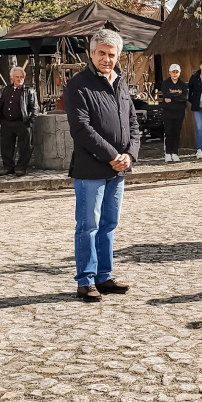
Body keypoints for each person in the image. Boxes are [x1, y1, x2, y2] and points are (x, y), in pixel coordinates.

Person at [64, 29, 140, 302]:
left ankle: (104, 276)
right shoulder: (78, 85)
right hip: (91, 169)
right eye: (102, 54)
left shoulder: (121, 84)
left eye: (112, 55)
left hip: (118, 170)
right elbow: (81, 129)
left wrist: (129, 154)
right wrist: (112, 155)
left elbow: (133, 124)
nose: (107, 59)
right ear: (91, 53)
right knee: (88, 226)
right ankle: (85, 280)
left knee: (109, 224)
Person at [0, 66, 39, 177]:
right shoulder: (6, 89)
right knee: (6, 146)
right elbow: (0, 103)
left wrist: (30, 122)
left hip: (22, 122)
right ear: (11, 78)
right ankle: (8, 167)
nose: (19, 79)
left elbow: (35, 108)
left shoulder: (29, 91)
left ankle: (21, 167)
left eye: (21, 77)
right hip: (7, 122)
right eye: (17, 77)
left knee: (25, 147)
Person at [161, 63, 188, 162]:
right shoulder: (165, 84)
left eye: (177, 72)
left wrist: (172, 98)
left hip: (179, 113)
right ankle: (168, 153)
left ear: (179, 73)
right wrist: (178, 96)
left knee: (177, 133)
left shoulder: (183, 85)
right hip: (168, 113)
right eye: (173, 72)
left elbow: (184, 98)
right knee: (169, 133)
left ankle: (175, 152)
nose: (175, 74)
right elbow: (165, 96)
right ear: (170, 73)